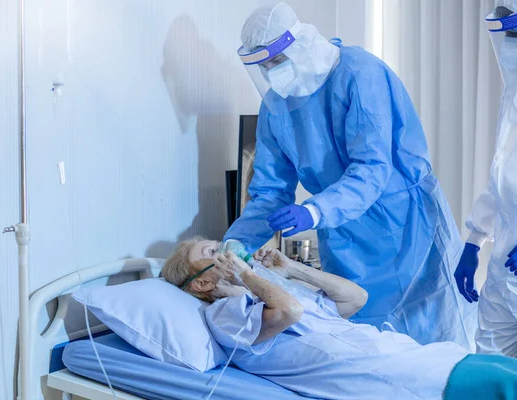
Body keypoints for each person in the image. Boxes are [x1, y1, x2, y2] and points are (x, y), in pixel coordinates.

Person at [223, 1, 476, 348]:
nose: (270, 70)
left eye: (275, 60)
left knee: (432, 336)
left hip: (406, 227)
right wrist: (234, 244)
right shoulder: (275, 106)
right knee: (363, 339)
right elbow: (268, 192)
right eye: (262, 65)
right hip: (345, 239)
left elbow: (373, 168)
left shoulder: (360, 73)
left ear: (299, 44)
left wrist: (315, 210)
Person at [161, 238, 517, 400]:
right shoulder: (224, 314)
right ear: (203, 281)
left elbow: (355, 298)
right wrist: (249, 276)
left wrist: (294, 269)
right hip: (402, 381)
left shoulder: (266, 290)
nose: (224, 249)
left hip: (414, 357)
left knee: (503, 370)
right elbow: (290, 313)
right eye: (211, 252)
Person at [454, 1, 517, 357]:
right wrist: (474, 241)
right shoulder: (513, 95)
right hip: (504, 270)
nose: (511, 43)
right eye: (507, 33)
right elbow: (502, 179)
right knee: (487, 371)